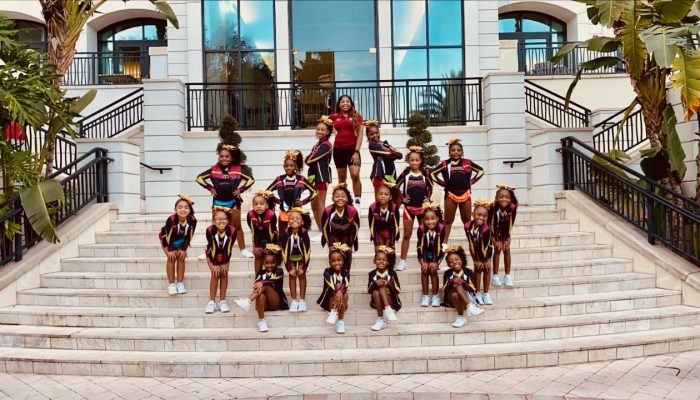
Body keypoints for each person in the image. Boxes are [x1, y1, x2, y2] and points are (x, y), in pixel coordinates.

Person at [196, 143, 255, 258]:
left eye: (227, 156)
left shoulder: (238, 169)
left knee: (237, 225)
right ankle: (210, 249)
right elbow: (199, 178)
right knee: (215, 225)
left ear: (231, 158)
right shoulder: (214, 169)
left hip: (233, 201)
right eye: (221, 156)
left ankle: (242, 250)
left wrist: (241, 189)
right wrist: (210, 188)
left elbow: (251, 180)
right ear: (218, 157)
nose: (224, 158)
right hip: (218, 201)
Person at [431, 138, 484, 247]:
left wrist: (472, 181)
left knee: (467, 220)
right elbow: (432, 174)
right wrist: (442, 183)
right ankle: (444, 243)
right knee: (448, 220)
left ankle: (471, 241)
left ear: (462, 152)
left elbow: (481, 171)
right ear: (449, 152)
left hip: (465, 194)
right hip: (450, 194)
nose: (456, 152)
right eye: (453, 150)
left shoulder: (467, 162)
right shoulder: (445, 164)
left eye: (458, 150)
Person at [234, 244, 289, 332]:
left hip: (276, 302)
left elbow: (271, 281)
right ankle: (262, 322)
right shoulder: (261, 273)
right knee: (260, 295)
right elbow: (256, 285)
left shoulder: (279, 271)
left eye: (272, 263)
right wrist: (259, 283)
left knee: (266, 286)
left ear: (276, 263)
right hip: (265, 304)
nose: (269, 265)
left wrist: (261, 283)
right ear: (263, 263)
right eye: (267, 263)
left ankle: (248, 301)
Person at [395, 146, 434, 271]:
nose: (414, 162)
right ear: (408, 161)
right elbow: (395, 186)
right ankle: (402, 261)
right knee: (407, 235)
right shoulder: (406, 173)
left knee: (425, 234)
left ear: (421, 160)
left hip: (422, 209)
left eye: (417, 160)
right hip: (409, 209)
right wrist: (402, 198)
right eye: (412, 160)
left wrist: (428, 198)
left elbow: (431, 187)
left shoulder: (425, 173)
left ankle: (427, 258)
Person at [266, 150, 317, 232]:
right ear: (283, 166)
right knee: (283, 235)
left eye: (291, 165)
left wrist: (303, 202)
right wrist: (278, 201)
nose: (289, 168)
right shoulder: (279, 179)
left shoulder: (301, 179)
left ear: (296, 166)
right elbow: (267, 192)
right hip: (284, 212)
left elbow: (314, 192)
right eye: (286, 166)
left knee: (298, 233)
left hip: (297, 212)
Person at [329, 95, 363, 215]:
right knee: (341, 179)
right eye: (342, 102)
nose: (345, 103)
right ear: (339, 104)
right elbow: (322, 123)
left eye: (347, 101)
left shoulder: (357, 116)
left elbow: (360, 135)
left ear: (351, 103)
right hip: (338, 151)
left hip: (353, 151)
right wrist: (331, 130)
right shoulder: (334, 116)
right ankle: (343, 204)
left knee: (355, 175)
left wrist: (357, 151)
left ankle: (357, 203)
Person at [159, 194, 197, 295]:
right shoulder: (171, 219)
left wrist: (183, 250)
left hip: (181, 240)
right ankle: (171, 284)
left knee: (181, 257)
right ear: (175, 209)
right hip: (166, 240)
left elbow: (189, 236)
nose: (183, 210)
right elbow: (167, 236)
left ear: (189, 209)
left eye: (186, 207)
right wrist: (170, 250)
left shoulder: (192, 220)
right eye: (180, 207)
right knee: (171, 258)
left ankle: (180, 283)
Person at [306, 116, 334, 242]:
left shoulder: (327, 144)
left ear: (328, 132)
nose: (320, 132)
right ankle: (320, 230)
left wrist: (308, 158)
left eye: (323, 130)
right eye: (318, 129)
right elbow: (310, 158)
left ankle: (325, 231)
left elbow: (310, 159)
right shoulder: (318, 144)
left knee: (320, 203)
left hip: (321, 176)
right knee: (314, 204)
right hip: (313, 176)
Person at [321, 183, 360, 272]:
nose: (340, 199)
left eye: (343, 196)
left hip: (347, 236)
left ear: (347, 198)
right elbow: (324, 228)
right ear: (332, 198)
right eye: (337, 196)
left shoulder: (352, 211)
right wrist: (330, 244)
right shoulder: (328, 211)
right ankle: (335, 277)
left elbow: (356, 228)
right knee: (335, 257)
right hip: (334, 236)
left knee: (347, 255)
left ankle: (346, 279)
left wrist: (350, 244)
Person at [441, 245, 483, 328]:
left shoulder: (468, 272)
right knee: (455, 288)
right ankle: (470, 307)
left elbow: (473, 288)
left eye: (457, 259)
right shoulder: (447, 273)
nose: (455, 262)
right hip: (451, 300)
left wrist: (463, 282)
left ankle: (461, 317)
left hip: (466, 297)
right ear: (448, 265)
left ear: (462, 260)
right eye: (451, 261)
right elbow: (444, 289)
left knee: (457, 290)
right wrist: (452, 281)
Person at [204, 207, 236, 314]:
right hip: (212, 255)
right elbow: (211, 248)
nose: (221, 221)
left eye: (224, 219)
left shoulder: (232, 231)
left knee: (224, 274)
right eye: (218, 219)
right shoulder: (210, 230)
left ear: (228, 220)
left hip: (225, 255)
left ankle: (222, 301)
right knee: (215, 274)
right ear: (213, 221)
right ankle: (212, 301)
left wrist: (226, 263)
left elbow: (229, 248)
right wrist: (213, 265)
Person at [280, 208, 312, 313]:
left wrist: (304, 267)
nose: (294, 220)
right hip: (290, 258)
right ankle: (294, 301)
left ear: (302, 222)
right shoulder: (285, 233)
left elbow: (307, 251)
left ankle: (302, 300)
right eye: (292, 218)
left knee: (302, 275)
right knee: (292, 276)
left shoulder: (304, 233)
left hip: (302, 257)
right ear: (288, 221)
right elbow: (284, 252)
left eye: (297, 218)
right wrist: (290, 268)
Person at [465, 199, 495, 305]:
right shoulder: (467, 226)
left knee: (487, 268)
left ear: (487, 218)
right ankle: (477, 293)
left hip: (486, 251)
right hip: (475, 249)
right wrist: (476, 260)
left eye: (484, 216)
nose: (481, 218)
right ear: (473, 214)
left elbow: (489, 246)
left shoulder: (486, 230)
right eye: (479, 214)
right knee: (477, 268)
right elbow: (471, 243)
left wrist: (487, 260)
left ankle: (486, 293)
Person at [317, 243, 352, 334]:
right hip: (329, 301)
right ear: (329, 262)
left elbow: (346, 285)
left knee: (345, 293)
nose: (336, 263)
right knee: (338, 288)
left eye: (339, 260)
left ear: (343, 261)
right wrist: (339, 292)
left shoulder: (346, 272)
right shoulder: (327, 272)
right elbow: (331, 285)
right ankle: (333, 311)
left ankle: (340, 321)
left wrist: (340, 292)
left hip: (342, 301)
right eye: (333, 261)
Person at [417, 202, 445, 307]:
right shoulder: (421, 229)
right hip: (424, 252)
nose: (430, 221)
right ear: (423, 220)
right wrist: (422, 261)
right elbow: (420, 246)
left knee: (433, 270)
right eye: (427, 219)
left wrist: (435, 261)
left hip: (437, 252)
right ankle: (425, 296)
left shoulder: (441, 228)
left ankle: (435, 295)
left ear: (437, 218)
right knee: (424, 270)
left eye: (432, 218)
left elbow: (439, 246)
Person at [489, 184, 518, 287]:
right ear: (496, 198)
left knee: (507, 248)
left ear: (510, 199)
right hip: (492, 230)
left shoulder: (512, 208)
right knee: (497, 248)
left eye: (507, 197)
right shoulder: (492, 207)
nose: (504, 199)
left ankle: (507, 276)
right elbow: (491, 225)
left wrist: (506, 239)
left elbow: (510, 224)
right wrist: (496, 240)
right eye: (501, 197)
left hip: (505, 230)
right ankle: (495, 276)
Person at [367, 246, 402, 331]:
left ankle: (388, 309)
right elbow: (369, 290)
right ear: (374, 261)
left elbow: (398, 290)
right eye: (378, 259)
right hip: (377, 300)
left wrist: (388, 283)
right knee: (376, 291)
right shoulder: (372, 274)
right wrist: (375, 283)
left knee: (382, 285)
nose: (381, 261)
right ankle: (382, 318)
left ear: (388, 262)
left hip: (391, 299)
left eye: (384, 260)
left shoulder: (392, 273)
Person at [246, 189, 278, 275]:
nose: (258, 206)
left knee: (270, 256)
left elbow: (272, 232)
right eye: (256, 204)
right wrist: (257, 246)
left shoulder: (271, 214)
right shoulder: (250, 215)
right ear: (252, 206)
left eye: (261, 204)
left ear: (266, 205)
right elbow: (253, 231)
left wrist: (270, 247)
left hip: (271, 237)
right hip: (258, 237)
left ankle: (273, 277)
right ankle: (258, 277)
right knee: (258, 255)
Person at [366, 120, 402, 195]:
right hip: (379, 174)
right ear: (368, 136)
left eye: (377, 133)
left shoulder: (384, 144)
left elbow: (400, 155)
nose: (375, 135)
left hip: (390, 173)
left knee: (393, 198)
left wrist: (391, 153)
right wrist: (392, 152)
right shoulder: (372, 145)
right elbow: (388, 155)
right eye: (371, 134)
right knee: (380, 198)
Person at [367, 184, 401, 250]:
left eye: (386, 194)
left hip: (390, 230)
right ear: (377, 196)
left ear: (390, 197)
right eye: (380, 194)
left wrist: (393, 241)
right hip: (378, 231)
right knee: (380, 250)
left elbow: (396, 225)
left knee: (390, 251)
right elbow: (371, 225)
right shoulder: (372, 207)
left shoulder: (394, 207)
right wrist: (375, 240)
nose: (383, 196)